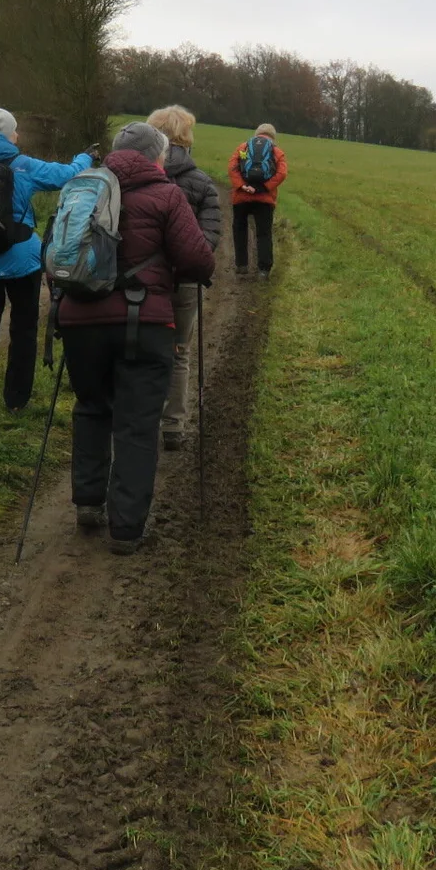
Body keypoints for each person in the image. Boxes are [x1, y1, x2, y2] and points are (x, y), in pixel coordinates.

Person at [60, 122, 216, 554]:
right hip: (143, 324)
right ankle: (126, 530)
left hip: (80, 322)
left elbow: (53, 254)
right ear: (155, 157)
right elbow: (197, 260)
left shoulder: (81, 187)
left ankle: (88, 504)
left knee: (91, 408)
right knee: (137, 424)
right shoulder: (167, 196)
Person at [0, 106, 91, 424]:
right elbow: (66, 175)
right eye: (15, 130)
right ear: (7, 134)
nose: (18, 135)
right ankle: (16, 400)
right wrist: (84, 158)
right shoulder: (23, 166)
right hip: (23, 260)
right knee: (23, 328)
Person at [145, 105, 221, 452]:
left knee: (138, 350)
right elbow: (209, 240)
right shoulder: (202, 183)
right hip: (182, 283)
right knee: (178, 353)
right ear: (186, 137)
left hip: (140, 281)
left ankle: (137, 420)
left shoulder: (135, 176)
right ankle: (173, 427)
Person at [228, 122, 288, 278]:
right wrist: (264, 188)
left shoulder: (243, 147)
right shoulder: (276, 151)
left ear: (257, 134)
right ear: (273, 137)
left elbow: (232, 167)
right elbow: (282, 173)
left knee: (240, 229)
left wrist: (242, 186)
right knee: (264, 233)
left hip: (241, 197)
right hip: (265, 199)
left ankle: (242, 265)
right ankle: (264, 269)